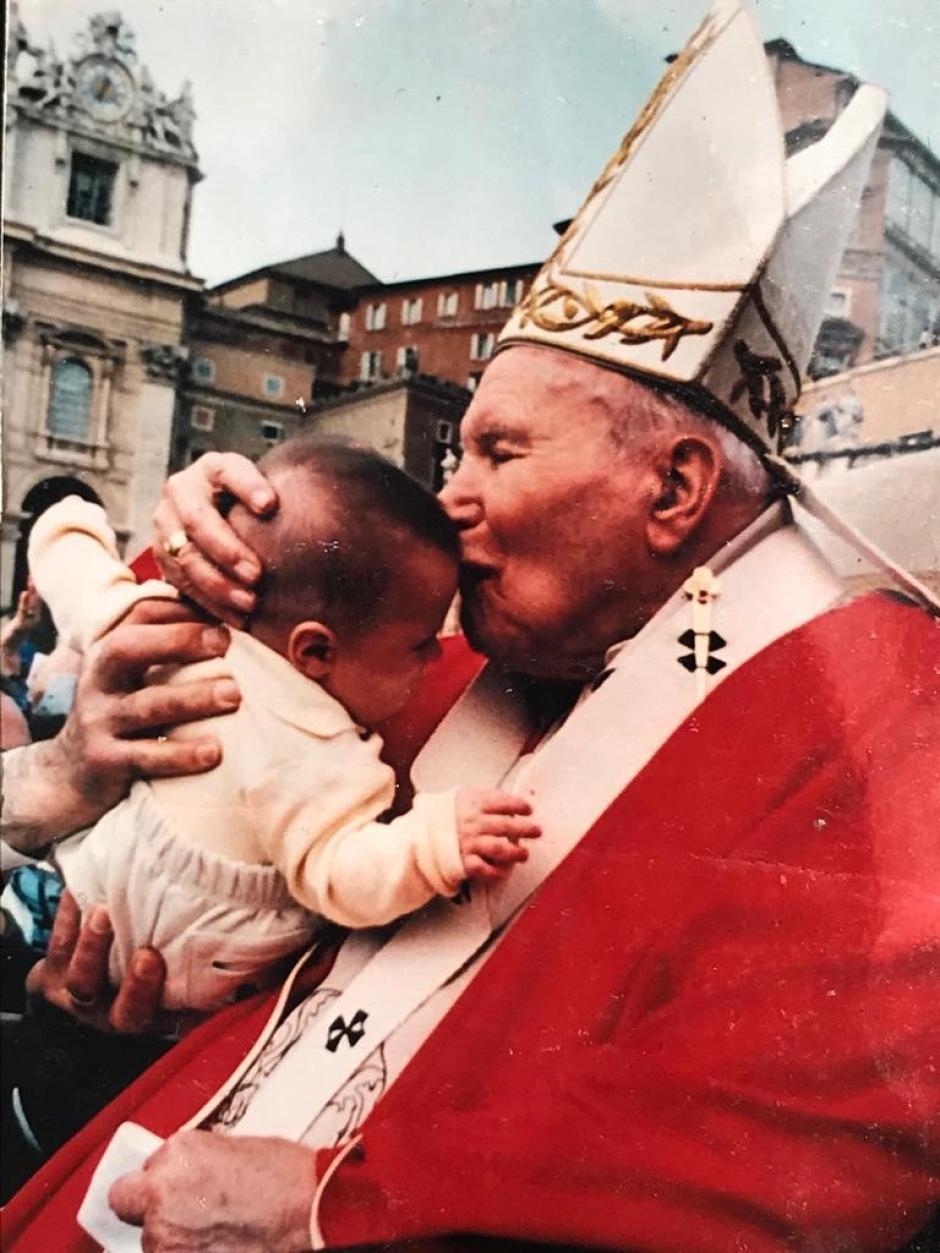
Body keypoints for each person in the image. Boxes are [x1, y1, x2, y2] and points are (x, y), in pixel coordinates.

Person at [2, 2, 938, 1249]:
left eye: (497, 450)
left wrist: (336, 1201)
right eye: (455, 447)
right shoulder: (450, 672)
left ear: (673, 489)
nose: (449, 496)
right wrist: (205, 547)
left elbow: (801, 1137)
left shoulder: (883, 706)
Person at [24, 440, 537, 1010]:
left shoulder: (168, 625)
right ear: (314, 652)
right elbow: (344, 875)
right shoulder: (316, 751)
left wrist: (69, 520)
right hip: (189, 968)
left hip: (60, 887)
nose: (435, 657)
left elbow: (84, 587)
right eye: (421, 645)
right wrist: (436, 840)